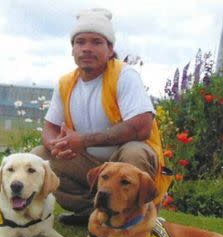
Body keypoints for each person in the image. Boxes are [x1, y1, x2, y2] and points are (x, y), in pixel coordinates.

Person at [32, 8, 171, 225]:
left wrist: (83, 140)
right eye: (80, 42)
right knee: (40, 157)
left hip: (123, 162)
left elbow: (141, 127)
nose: (87, 48)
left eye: (96, 42)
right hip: (91, 165)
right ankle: (95, 213)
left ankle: (134, 218)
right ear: (72, 50)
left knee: (135, 152)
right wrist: (55, 145)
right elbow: (49, 127)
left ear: (110, 49)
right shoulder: (66, 83)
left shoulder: (124, 76)